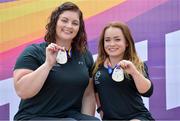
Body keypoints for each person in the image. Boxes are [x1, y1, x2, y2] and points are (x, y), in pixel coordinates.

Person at [13, 2, 99, 120]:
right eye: (64, 20)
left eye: (75, 23)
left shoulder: (85, 56)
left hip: (70, 116)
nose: (69, 26)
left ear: (79, 29)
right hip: (33, 116)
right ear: (55, 22)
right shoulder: (33, 52)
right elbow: (22, 91)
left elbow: (88, 95)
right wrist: (47, 65)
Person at [93, 21, 154, 120]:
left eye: (117, 39)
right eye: (107, 40)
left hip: (137, 117)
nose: (112, 44)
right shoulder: (96, 67)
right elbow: (95, 92)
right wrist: (100, 111)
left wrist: (134, 72)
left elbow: (147, 92)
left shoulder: (136, 64)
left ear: (126, 43)